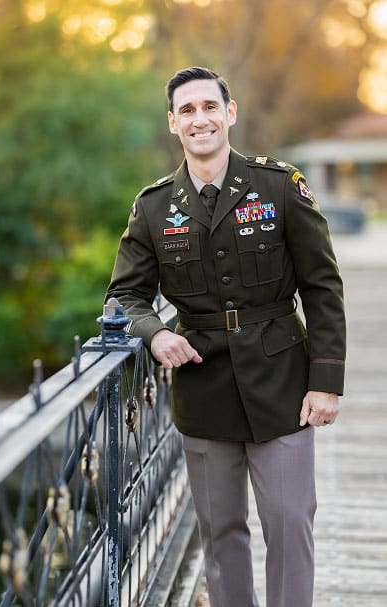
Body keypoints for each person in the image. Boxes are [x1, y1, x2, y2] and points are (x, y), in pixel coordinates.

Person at [105, 67, 346, 607]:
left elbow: (323, 287)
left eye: (209, 107)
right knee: (221, 533)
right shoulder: (153, 206)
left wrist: (326, 380)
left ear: (229, 112)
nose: (200, 119)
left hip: (283, 379)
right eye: (187, 111)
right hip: (203, 381)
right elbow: (123, 299)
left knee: (289, 522)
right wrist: (152, 335)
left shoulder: (279, 185)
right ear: (173, 124)